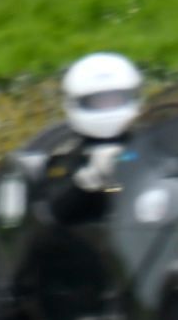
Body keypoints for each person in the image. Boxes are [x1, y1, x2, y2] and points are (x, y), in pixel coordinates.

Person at [41, 52, 143, 224]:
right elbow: (58, 210)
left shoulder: (147, 141)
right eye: (99, 103)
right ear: (76, 103)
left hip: (148, 233)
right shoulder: (66, 154)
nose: (108, 108)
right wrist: (84, 185)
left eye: (115, 100)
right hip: (95, 242)